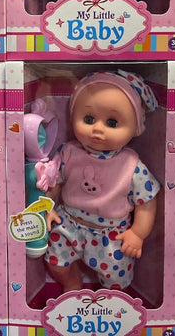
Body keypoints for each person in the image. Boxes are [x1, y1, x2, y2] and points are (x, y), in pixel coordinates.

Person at [37, 71, 160, 292]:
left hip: (112, 234)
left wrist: (137, 233)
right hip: (69, 223)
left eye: (112, 122)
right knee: (55, 261)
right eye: (89, 119)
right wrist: (49, 207)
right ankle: (71, 283)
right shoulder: (68, 152)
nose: (98, 129)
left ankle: (110, 300)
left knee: (117, 277)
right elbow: (55, 182)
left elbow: (146, 203)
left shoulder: (132, 166)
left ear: (136, 127)